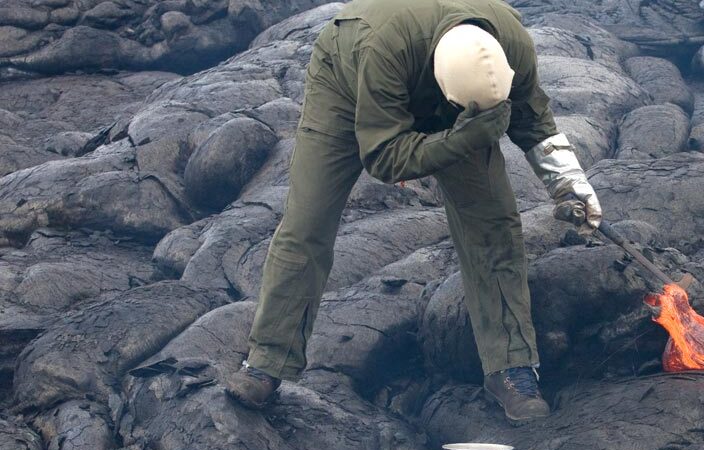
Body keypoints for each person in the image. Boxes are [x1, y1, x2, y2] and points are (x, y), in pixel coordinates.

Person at [222, 0, 602, 424]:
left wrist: (570, 186)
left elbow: (535, 120)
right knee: (307, 224)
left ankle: (511, 368)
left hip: (446, 93)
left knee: (494, 226)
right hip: (347, 82)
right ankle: (267, 363)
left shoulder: (511, 42)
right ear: (446, 89)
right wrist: (462, 136)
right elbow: (384, 157)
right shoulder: (383, 51)